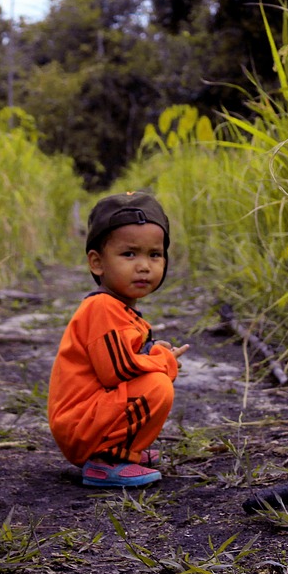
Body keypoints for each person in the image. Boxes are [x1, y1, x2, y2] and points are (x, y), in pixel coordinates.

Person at [47, 192, 190, 487]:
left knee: (154, 382)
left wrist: (150, 351)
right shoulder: (102, 307)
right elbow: (118, 371)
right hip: (81, 425)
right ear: (97, 263)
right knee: (156, 385)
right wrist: (162, 360)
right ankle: (106, 461)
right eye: (129, 254)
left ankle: (126, 449)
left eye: (154, 254)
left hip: (89, 419)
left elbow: (121, 356)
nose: (144, 266)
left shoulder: (117, 307)